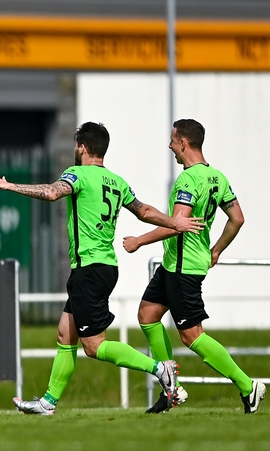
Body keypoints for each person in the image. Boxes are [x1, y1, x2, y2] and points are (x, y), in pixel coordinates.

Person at [0, 122, 204, 415]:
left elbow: (50, 193)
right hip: (101, 267)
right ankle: (48, 403)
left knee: (94, 346)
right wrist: (174, 222)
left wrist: (10, 186)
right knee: (65, 335)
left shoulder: (76, 174)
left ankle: (160, 369)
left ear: (82, 147)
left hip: (90, 269)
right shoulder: (116, 181)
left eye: (76, 145)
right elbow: (144, 211)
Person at [124, 119, 266, 414]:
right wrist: (215, 250)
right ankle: (171, 387)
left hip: (183, 267)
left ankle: (247, 385)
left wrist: (139, 240)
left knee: (192, 335)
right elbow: (237, 217)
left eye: (173, 140)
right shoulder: (217, 177)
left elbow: (177, 225)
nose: (169, 145)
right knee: (148, 315)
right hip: (175, 263)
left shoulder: (188, 180)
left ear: (184, 143)